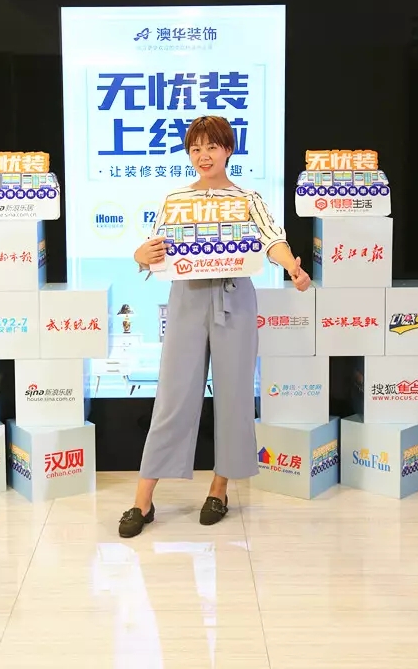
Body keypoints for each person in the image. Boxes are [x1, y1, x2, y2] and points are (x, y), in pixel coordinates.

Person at [118, 116, 311, 538]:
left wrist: (292, 266)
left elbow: (272, 239)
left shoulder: (247, 198)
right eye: (195, 149)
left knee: (234, 395)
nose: (203, 156)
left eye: (211, 147)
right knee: (173, 397)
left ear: (228, 150)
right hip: (187, 299)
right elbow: (153, 249)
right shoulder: (175, 199)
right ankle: (142, 500)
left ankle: (219, 489)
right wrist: (138, 254)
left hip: (234, 298)